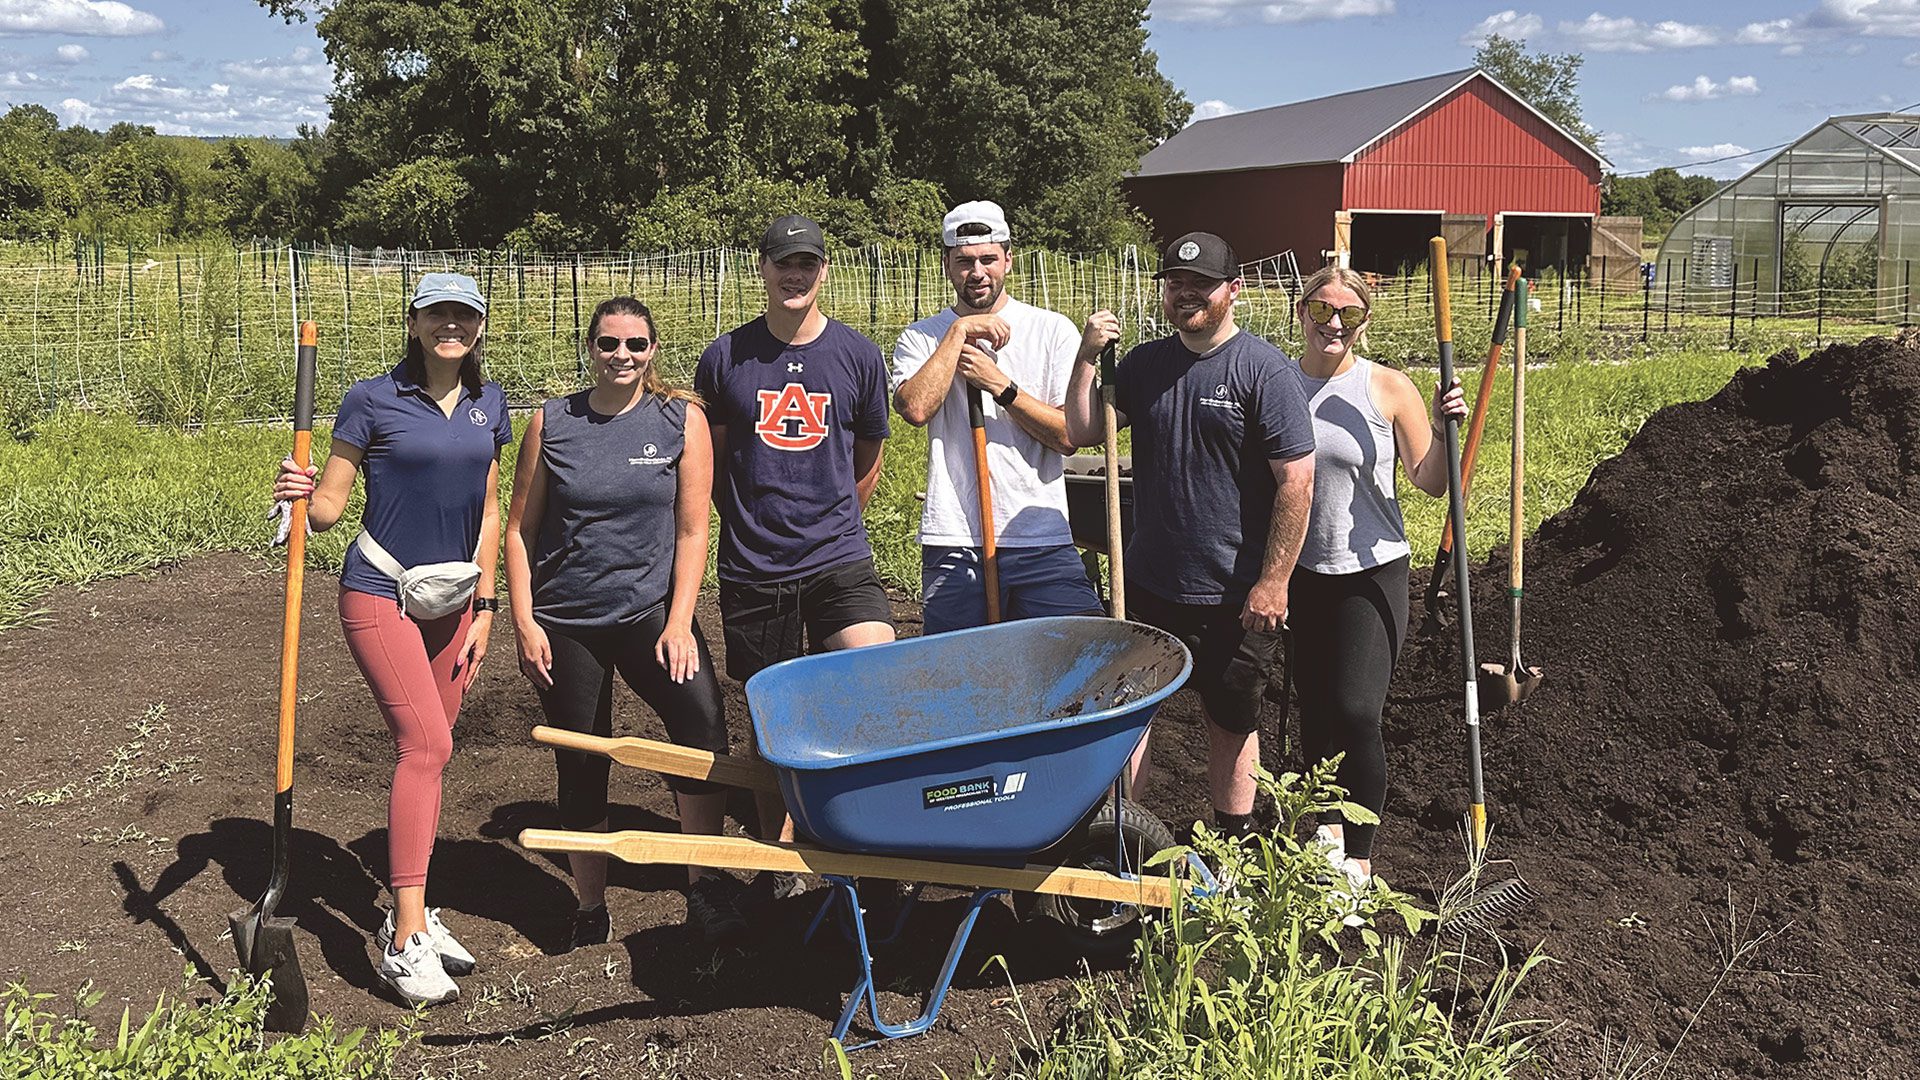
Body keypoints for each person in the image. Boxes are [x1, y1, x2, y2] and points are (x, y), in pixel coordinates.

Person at [272, 272, 510, 1006]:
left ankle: (416, 911)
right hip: (381, 591)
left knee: (431, 758)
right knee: (427, 748)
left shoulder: (490, 402)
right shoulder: (372, 399)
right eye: (438, 312)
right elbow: (329, 511)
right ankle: (405, 937)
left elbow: (493, 513)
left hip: (455, 600)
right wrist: (299, 491)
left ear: (479, 326)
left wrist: (486, 608)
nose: (451, 325)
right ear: (414, 322)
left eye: (464, 314)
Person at [504, 297, 746, 949]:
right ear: (590, 348)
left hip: (648, 614)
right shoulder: (552, 422)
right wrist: (524, 622)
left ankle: (705, 882)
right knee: (581, 757)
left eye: (635, 345)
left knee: (700, 724)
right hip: (566, 620)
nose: (622, 356)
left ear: (653, 351)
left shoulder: (680, 420)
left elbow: (693, 528)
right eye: (609, 344)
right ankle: (589, 904)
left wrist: (679, 621)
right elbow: (520, 531)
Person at [1064, 232, 1316, 840]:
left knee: (1230, 723)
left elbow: (1297, 482)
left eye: (1200, 285)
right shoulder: (1147, 364)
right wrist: (1087, 356)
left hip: (1236, 595)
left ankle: (1233, 845)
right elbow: (1080, 429)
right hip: (1150, 584)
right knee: (1131, 716)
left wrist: (1274, 582)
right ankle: (1118, 838)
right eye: (1175, 283)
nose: (1186, 295)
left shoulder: (1264, 371)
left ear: (1233, 290)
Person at [694, 214, 895, 906]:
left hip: (839, 556)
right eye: (783, 263)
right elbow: (711, 462)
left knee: (874, 674)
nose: (795, 275)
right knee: (772, 717)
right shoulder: (725, 357)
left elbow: (866, 459)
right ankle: (779, 860)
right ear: (763, 268)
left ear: (824, 272)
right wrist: (753, 520)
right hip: (754, 566)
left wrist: (832, 516)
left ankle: (867, 837)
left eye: (807, 264)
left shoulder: (859, 357)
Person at [1287, 266, 1465, 890]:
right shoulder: (1278, 384)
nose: (1334, 323)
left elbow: (1434, 480)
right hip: (1299, 571)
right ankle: (1325, 834)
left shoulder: (1387, 388)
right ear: (1301, 310)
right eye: (1322, 309)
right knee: (1313, 710)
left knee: (1356, 711)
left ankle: (1358, 856)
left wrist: (1450, 431)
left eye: (1350, 314)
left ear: (1365, 320)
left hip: (1371, 570)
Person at [891, 200, 1102, 631]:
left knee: (1078, 651)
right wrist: (959, 332)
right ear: (947, 263)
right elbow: (915, 407)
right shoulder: (921, 336)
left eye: (988, 259)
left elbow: (1068, 436)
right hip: (954, 537)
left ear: (1008, 258)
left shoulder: (1051, 329)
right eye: (964, 261)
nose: (977, 272)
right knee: (957, 670)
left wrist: (1000, 386)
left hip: (1039, 535)